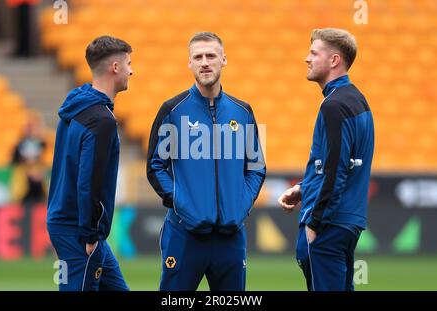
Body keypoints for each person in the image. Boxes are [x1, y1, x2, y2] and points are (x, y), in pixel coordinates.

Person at [147, 32, 266, 291]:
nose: (205, 62)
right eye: (197, 57)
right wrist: (182, 203)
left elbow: (256, 168)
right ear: (189, 63)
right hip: (184, 235)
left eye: (211, 56)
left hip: (230, 238)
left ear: (224, 59)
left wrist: (240, 205)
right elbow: (156, 166)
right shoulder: (172, 110)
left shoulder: (242, 111)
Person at [278, 28, 374, 291]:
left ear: (334, 60)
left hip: (329, 224)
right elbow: (343, 165)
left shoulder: (334, 105)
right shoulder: (357, 100)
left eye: (313, 52)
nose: (306, 58)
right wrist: (303, 189)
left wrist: (315, 222)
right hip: (347, 221)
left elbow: (336, 169)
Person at [47, 35, 133, 291]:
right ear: (115, 68)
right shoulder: (101, 120)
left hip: (71, 223)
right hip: (79, 228)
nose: (132, 70)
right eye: (128, 63)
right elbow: (89, 180)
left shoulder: (78, 103)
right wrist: (90, 234)